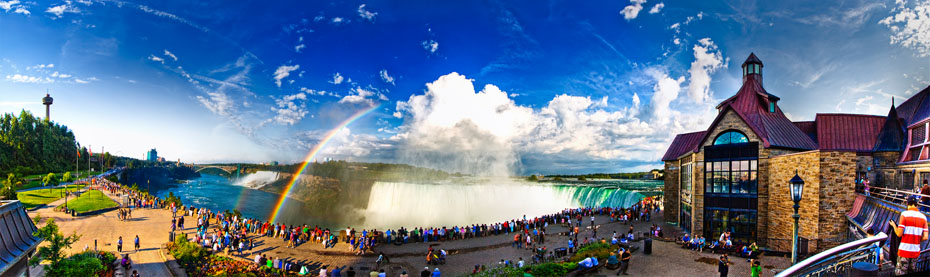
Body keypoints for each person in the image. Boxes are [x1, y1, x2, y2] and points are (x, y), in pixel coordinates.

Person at [889, 197, 929, 275]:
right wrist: (915, 239)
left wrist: (894, 225)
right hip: (915, 252)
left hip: (904, 251)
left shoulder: (904, 214)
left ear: (907, 204)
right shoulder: (923, 218)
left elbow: (899, 233)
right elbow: (925, 237)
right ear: (916, 205)